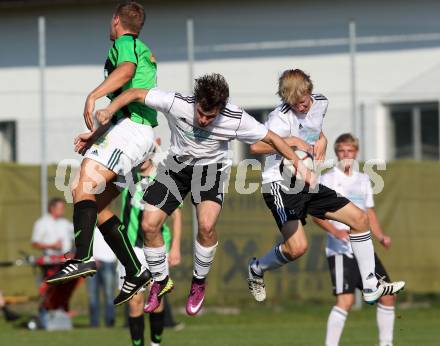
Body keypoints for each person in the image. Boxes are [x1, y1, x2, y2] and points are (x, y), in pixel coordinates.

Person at [92, 72, 314, 316]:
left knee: (206, 226)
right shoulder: (177, 102)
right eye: (200, 112)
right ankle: (160, 280)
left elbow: (272, 138)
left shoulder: (236, 118)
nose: (203, 119)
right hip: (176, 167)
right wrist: (109, 109)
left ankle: (198, 282)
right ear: (195, 101)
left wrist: (299, 164)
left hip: (211, 169)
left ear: (221, 108)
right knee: (149, 224)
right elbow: (135, 93)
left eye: (210, 116)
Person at [247, 69, 405, 304]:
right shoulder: (279, 117)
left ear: (309, 91)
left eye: (302, 101)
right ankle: (257, 269)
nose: (299, 107)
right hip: (280, 186)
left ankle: (371, 284)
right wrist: (290, 142)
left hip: (308, 181)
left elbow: (313, 126)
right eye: (293, 103)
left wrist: (323, 139)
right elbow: (256, 147)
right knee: (297, 248)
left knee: (360, 220)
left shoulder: (321, 103)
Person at [47, 1, 157, 306]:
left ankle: (82, 257)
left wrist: (93, 95)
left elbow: (126, 71)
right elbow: (127, 96)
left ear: (116, 21)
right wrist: (95, 135)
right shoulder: (138, 45)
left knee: (85, 184)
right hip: (131, 131)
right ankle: (135, 271)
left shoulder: (126, 43)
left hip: (132, 130)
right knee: (92, 201)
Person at [312, 133, 396, 346]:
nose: (346, 154)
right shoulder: (327, 179)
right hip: (341, 250)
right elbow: (315, 214)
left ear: (356, 152)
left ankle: (386, 344)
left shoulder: (363, 179)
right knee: (346, 300)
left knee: (387, 296)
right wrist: (335, 231)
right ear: (336, 153)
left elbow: (369, 213)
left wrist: (380, 236)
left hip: (364, 248)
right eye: (341, 151)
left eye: (350, 151)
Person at [119, 154, 182, 346]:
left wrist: (175, 248)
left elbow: (177, 215)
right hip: (131, 249)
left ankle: (156, 344)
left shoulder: (163, 180)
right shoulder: (128, 178)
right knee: (134, 301)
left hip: (156, 248)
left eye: (145, 154)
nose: (141, 159)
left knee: (156, 300)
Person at [31, 198, 78, 328]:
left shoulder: (65, 223)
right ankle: (46, 311)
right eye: (60, 208)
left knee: (67, 286)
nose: (63, 210)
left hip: (66, 261)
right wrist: (52, 245)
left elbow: (76, 236)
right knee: (50, 288)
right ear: (52, 208)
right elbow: (35, 243)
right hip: (51, 263)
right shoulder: (42, 223)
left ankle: (62, 310)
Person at [86, 230, 117, 328]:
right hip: (91, 263)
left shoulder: (110, 222)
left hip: (108, 262)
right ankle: (94, 323)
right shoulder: (87, 222)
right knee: (92, 295)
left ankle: (110, 322)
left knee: (109, 294)